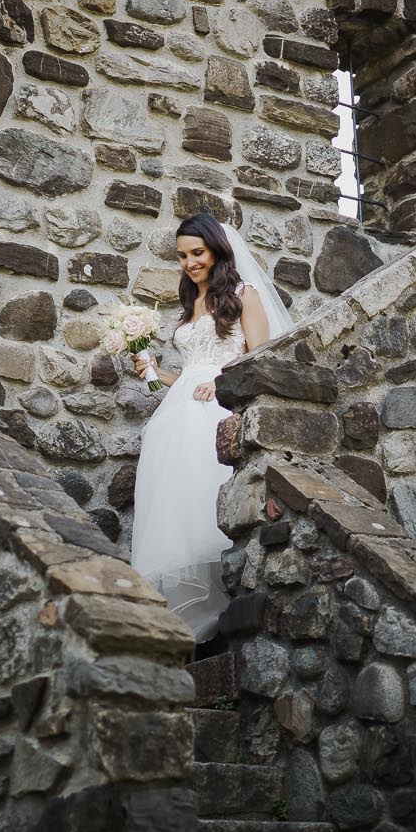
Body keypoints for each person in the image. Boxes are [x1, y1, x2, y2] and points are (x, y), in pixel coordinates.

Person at [128, 214, 292, 641]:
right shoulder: (191, 305)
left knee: (207, 499)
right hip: (177, 415)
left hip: (216, 410)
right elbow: (189, 376)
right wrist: (154, 371)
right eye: (182, 256)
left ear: (217, 250)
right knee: (175, 506)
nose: (190, 263)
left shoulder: (243, 294)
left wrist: (221, 383)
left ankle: (226, 603)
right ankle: (185, 619)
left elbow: (259, 359)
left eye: (197, 253)